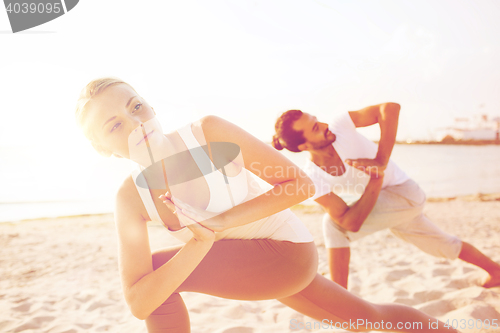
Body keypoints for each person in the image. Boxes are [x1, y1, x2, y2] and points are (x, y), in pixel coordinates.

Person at [75, 78, 460, 333]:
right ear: (100, 148)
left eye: (136, 107)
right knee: (368, 319)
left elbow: (299, 183)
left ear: (151, 106)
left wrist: (218, 226)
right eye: (114, 126)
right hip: (245, 261)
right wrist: (201, 241)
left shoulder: (208, 134)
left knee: (159, 272)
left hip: (286, 252)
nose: (134, 123)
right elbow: (139, 302)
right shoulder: (130, 198)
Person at [272, 105, 500, 290]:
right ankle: (496, 271)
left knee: (332, 227)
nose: (323, 125)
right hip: (388, 204)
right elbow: (351, 222)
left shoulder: (341, 126)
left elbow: (389, 109)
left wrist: (381, 162)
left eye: (317, 119)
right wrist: (375, 181)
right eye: (315, 128)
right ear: (303, 146)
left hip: (404, 193)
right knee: (443, 245)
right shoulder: (313, 177)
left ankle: (340, 300)